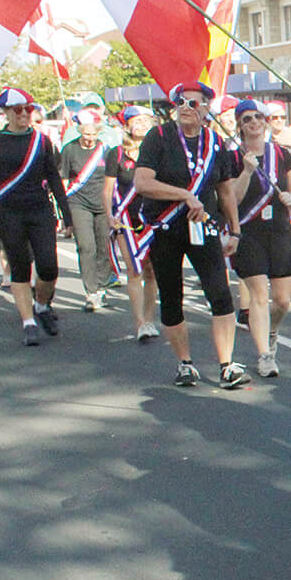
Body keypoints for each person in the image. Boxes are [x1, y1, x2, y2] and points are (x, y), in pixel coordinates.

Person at [132, 81, 249, 388]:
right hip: (165, 228)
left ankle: (227, 365)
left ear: (206, 109)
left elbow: (225, 190)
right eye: (181, 102)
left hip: (203, 227)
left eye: (193, 103)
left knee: (220, 294)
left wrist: (235, 231)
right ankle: (185, 363)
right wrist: (184, 195)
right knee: (172, 297)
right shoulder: (159, 137)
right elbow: (142, 182)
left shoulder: (214, 142)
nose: (185, 108)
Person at [0, 87, 70, 346]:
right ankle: (28, 322)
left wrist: (66, 214)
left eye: (28, 109)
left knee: (49, 267)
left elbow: (53, 177)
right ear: (6, 113)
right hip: (8, 213)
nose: (24, 114)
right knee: (19, 266)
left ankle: (41, 305)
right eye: (18, 110)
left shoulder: (42, 141)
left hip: (39, 210)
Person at [229, 99, 291, 378]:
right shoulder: (233, 158)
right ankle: (264, 355)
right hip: (249, 232)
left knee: (282, 300)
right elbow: (232, 200)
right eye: (247, 119)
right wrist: (247, 172)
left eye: (258, 117)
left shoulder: (281, 154)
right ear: (240, 125)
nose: (254, 123)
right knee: (259, 295)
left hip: (279, 230)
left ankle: (272, 332)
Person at [107, 105, 161, 342]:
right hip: (126, 219)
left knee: (151, 271)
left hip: (152, 217)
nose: (141, 125)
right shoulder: (117, 153)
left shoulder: (158, 151)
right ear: (127, 125)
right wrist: (110, 215)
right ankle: (139, 322)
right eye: (136, 121)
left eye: (145, 121)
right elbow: (108, 188)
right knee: (134, 270)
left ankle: (149, 319)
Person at [60, 108, 114, 311]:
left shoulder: (106, 151)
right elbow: (64, 178)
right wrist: (63, 211)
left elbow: (112, 179)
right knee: (86, 247)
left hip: (102, 203)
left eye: (93, 134)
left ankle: (102, 286)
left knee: (103, 246)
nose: (90, 139)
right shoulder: (69, 149)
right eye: (86, 134)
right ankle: (91, 292)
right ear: (79, 131)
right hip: (78, 202)